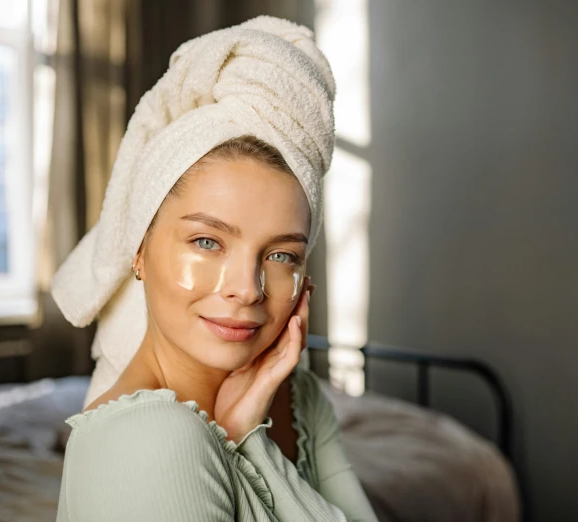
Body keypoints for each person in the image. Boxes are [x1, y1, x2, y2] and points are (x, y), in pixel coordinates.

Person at [52, 16, 378, 522]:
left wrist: (249, 435)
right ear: (139, 249)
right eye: (207, 241)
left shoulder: (299, 398)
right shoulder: (149, 439)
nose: (246, 289)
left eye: (280, 255)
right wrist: (243, 443)